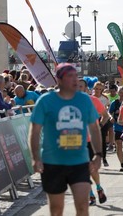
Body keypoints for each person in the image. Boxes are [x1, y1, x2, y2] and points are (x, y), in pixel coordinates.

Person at [29, 63, 102, 216]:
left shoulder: (84, 100)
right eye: (70, 76)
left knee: (83, 206)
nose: (75, 80)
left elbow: (94, 128)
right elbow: (35, 131)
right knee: (56, 210)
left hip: (79, 162)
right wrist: (36, 158)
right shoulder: (45, 101)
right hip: (53, 162)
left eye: (76, 76)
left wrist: (98, 155)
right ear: (59, 80)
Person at [78, 78, 108, 206]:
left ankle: (99, 187)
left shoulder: (93, 100)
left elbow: (105, 115)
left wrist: (99, 126)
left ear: (86, 89)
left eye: (81, 86)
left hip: (90, 140)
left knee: (92, 169)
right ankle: (90, 195)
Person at [109, 86, 123, 172]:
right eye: (121, 92)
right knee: (118, 144)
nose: (122, 94)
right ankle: (121, 164)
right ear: (118, 93)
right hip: (117, 127)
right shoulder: (115, 103)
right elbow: (109, 113)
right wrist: (111, 118)